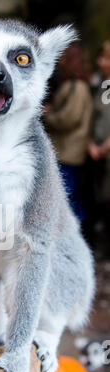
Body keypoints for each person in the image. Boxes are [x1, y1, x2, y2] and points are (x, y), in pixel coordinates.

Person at [44, 44, 92, 224]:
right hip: (66, 152)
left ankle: (73, 235)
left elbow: (69, 118)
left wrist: (47, 114)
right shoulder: (71, 85)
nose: (60, 59)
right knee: (70, 197)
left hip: (69, 154)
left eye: (64, 56)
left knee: (67, 196)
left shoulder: (77, 87)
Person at [87, 41, 110, 257]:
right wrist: (91, 143)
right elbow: (94, 118)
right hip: (98, 154)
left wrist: (105, 146)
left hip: (106, 152)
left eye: (105, 58)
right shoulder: (102, 84)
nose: (101, 62)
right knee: (99, 201)